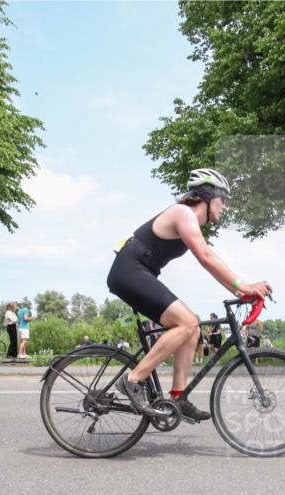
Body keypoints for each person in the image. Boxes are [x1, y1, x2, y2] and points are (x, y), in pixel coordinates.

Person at [106, 167, 271, 420]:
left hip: (139, 272)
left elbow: (209, 264)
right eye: (222, 200)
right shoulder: (182, 213)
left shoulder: (189, 221)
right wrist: (245, 286)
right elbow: (206, 257)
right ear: (206, 196)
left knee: (192, 327)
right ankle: (133, 380)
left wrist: (242, 293)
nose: (225, 207)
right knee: (186, 322)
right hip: (129, 271)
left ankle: (178, 397)